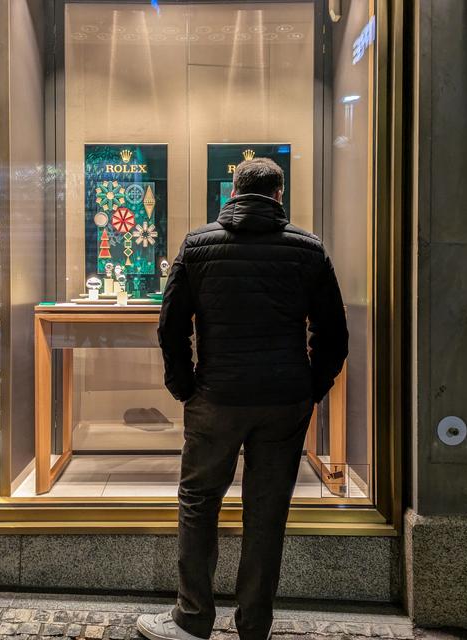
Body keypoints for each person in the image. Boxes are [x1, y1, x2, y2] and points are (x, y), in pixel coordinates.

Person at [137, 158, 348, 640]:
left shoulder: (198, 244)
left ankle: (193, 617)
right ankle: (254, 625)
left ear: (231, 194)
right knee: (268, 510)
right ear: (279, 195)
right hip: (283, 400)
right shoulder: (308, 249)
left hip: (217, 395)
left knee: (198, 501)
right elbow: (333, 331)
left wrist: (184, 385)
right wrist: (312, 385)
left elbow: (171, 325)